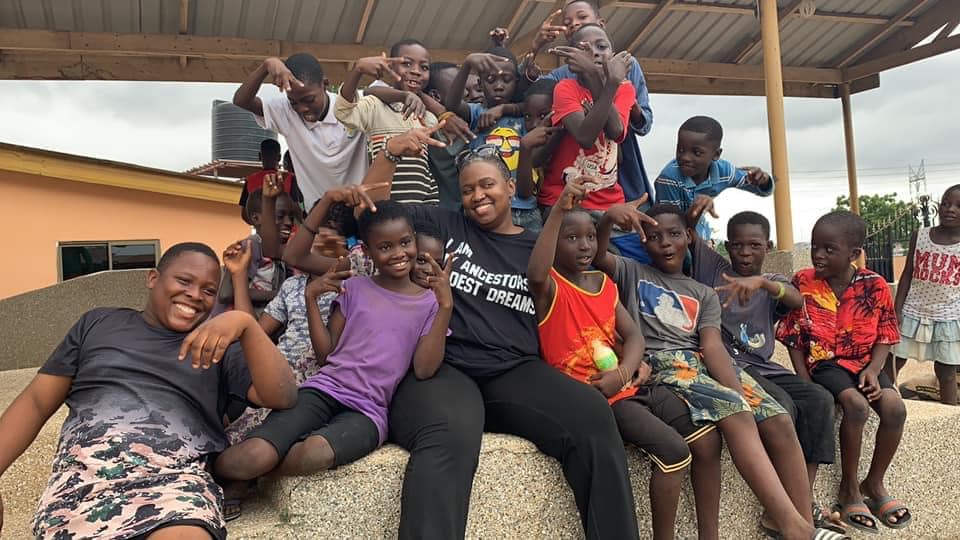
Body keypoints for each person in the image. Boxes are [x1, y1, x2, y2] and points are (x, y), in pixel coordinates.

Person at [361, 126, 640, 539]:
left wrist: (631, 363)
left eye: (487, 185)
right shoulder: (444, 224)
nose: (478, 195)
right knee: (450, 433)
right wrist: (390, 154)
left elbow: (589, 299)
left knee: (592, 416)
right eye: (467, 189)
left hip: (514, 370)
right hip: (445, 366)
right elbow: (372, 212)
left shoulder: (538, 247)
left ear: (510, 187)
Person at [0, 242, 297, 539]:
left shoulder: (216, 346)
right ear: (153, 278)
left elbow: (282, 396)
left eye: (208, 290)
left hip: (175, 483)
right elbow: (37, 403)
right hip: (84, 479)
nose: (195, 295)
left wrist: (246, 324)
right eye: (184, 281)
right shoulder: (98, 324)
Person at [595, 202, 848, 540]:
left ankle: (803, 522)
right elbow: (598, 256)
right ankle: (795, 529)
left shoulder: (703, 293)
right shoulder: (632, 271)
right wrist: (608, 219)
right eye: (654, 236)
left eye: (674, 234)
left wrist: (735, 389)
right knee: (737, 413)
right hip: (663, 363)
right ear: (643, 240)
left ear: (689, 237)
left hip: (702, 363)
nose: (665, 243)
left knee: (777, 418)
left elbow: (712, 347)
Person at [214, 200, 453, 486]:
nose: (398, 253)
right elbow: (326, 355)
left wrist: (445, 306)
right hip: (323, 390)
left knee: (314, 454)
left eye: (405, 242)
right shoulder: (354, 287)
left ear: (414, 240)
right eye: (385, 247)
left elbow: (424, 369)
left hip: (368, 410)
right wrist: (311, 300)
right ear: (367, 251)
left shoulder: (431, 303)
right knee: (252, 456)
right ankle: (209, 472)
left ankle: (261, 473)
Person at [527, 178, 701, 540]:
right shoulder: (550, 287)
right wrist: (557, 211)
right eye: (571, 238)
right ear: (553, 240)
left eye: (590, 237)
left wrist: (624, 371)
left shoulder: (604, 284)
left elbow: (634, 336)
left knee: (700, 427)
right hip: (599, 397)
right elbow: (536, 272)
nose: (584, 245)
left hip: (626, 384)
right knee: (674, 451)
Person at [687, 205, 842, 534]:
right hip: (729, 366)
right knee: (781, 406)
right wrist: (699, 207)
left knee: (819, 400)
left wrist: (762, 284)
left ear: (768, 247)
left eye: (754, 245)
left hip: (763, 366)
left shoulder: (773, 281)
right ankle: (795, 518)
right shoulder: (713, 268)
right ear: (726, 246)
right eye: (737, 245)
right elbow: (688, 232)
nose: (745, 252)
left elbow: (797, 300)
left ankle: (802, 503)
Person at [778, 211, 911, 534]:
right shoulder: (804, 282)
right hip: (825, 363)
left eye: (829, 249)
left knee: (895, 408)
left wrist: (874, 370)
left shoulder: (874, 285)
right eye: (815, 246)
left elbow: (886, 334)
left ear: (854, 254)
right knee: (856, 405)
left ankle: (874, 483)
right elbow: (793, 336)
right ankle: (848, 489)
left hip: (865, 362)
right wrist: (804, 380)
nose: (818, 255)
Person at [521, 0, 655, 205]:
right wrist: (535, 48)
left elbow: (639, 124)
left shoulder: (624, 66)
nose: (574, 23)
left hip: (619, 167)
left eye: (582, 17)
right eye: (567, 23)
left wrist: (630, 106)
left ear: (601, 24)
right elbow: (529, 94)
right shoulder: (561, 78)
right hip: (569, 177)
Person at [233, 53, 368, 209]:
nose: (302, 108)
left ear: (324, 84)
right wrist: (266, 65)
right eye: (293, 102)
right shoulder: (285, 112)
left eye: (309, 100)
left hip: (360, 208)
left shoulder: (351, 109)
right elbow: (241, 100)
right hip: (318, 215)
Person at [539, 24, 635, 212]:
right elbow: (585, 137)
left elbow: (615, 131)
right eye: (584, 48)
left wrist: (607, 82)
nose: (595, 52)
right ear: (572, 59)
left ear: (613, 55)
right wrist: (600, 79)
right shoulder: (565, 88)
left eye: (602, 46)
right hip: (562, 197)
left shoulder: (624, 89)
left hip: (609, 202)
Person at [445, 49, 541, 229]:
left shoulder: (526, 116)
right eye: (491, 80)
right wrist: (467, 65)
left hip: (524, 208)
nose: (498, 86)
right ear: (480, 83)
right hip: (486, 206)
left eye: (507, 80)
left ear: (517, 82)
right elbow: (451, 104)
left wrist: (504, 109)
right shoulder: (476, 113)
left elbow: (540, 104)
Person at [335, 40, 439, 205]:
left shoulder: (427, 117)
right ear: (390, 68)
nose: (416, 71)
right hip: (383, 207)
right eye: (407, 64)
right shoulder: (375, 106)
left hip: (421, 208)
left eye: (424, 67)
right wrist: (358, 70)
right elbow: (343, 111)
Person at [888, 185, 960, 405]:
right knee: (892, 362)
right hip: (912, 311)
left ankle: (949, 417)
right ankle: (882, 407)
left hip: (948, 316)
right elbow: (907, 274)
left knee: (946, 372)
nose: (950, 209)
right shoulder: (920, 236)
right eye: (946, 203)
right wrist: (897, 310)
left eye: (958, 206)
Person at [654, 116, 773, 240]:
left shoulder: (724, 171)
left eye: (696, 152)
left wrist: (763, 181)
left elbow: (757, 186)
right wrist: (697, 208)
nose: (685, 157)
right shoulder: (669, 180)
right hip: (669, 238)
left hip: (697, 235)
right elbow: (671, 227)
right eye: (681, 150)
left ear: (716, 154)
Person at [217, 189, 299, 311]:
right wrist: (277, 295)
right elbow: (226, 293)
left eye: (291, 217)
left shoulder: (284, 253)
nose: (288, 223)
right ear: (256, 218)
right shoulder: (251, 246)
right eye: (280, 216)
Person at [516, 78, 563, 232]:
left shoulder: (567, 132)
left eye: (543, 116)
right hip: (539, 208)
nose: (534, 124)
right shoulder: (527, 141)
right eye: (527, 117)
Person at [239, 139, 302, 224]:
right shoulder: (289, 178)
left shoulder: (250, 180)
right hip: (287, 229)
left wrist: (260, 225)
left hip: (262, 230)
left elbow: (245, 214)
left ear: (260, 156)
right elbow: (296, 209)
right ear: (279, 157)